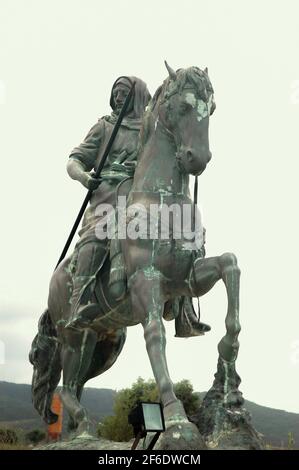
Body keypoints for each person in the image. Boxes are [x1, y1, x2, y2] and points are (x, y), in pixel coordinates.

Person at [65, 75, 210, 337]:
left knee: (187, 232)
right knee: (96, 235)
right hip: (108, 196)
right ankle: (80, 299)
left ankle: (184, 307)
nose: (119, 97)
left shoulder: (152, 126)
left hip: (143, 194)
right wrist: (85, 177)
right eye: (116, 92)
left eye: (125, 93)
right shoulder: (104, 127)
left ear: (140, 97)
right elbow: (74, 160)